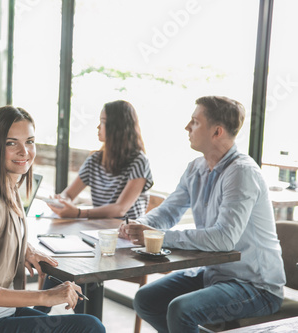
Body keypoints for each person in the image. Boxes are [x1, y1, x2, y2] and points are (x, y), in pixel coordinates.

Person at [119, 96, 286, 333]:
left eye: (195, 122)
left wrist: (158, 236)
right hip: (214, 274)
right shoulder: (195, 168)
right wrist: (140, 225)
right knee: (146, 299)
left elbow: (223, 239)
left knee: (181, 309)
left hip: (256, 287)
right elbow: (169, 211)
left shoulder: (241, 173)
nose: (187, 127)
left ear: (217, 132)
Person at [0, 106, 105, 333]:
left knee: (84, 324)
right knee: (90, 326)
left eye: (29, 141)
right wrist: (45, 296)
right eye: (11, 143)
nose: (24, 151)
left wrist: (24, 249)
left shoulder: (9, 187)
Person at [47, 100, 153, 220]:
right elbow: (68, 194)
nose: (98, 127)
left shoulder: (138, 161)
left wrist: (78, 213)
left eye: (102, 122)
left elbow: (120, 209)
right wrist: (63, 201)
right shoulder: (94, 160)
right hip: (98, 229)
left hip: (127, 232)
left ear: (117, 127)